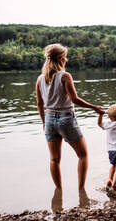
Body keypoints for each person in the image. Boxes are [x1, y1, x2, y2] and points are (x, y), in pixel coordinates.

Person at [35, 43, 104, 190]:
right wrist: (95, 108)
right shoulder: (65, 76)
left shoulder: (40, 79)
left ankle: (59, 191)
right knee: (83, 155)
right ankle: (81, 189)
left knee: (54, 159)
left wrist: (43, 122)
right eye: (65, 57)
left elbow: (40, 104)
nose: (66, 59)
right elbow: (74, 99)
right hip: (66, 119)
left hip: (49, 120)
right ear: (60, 58)